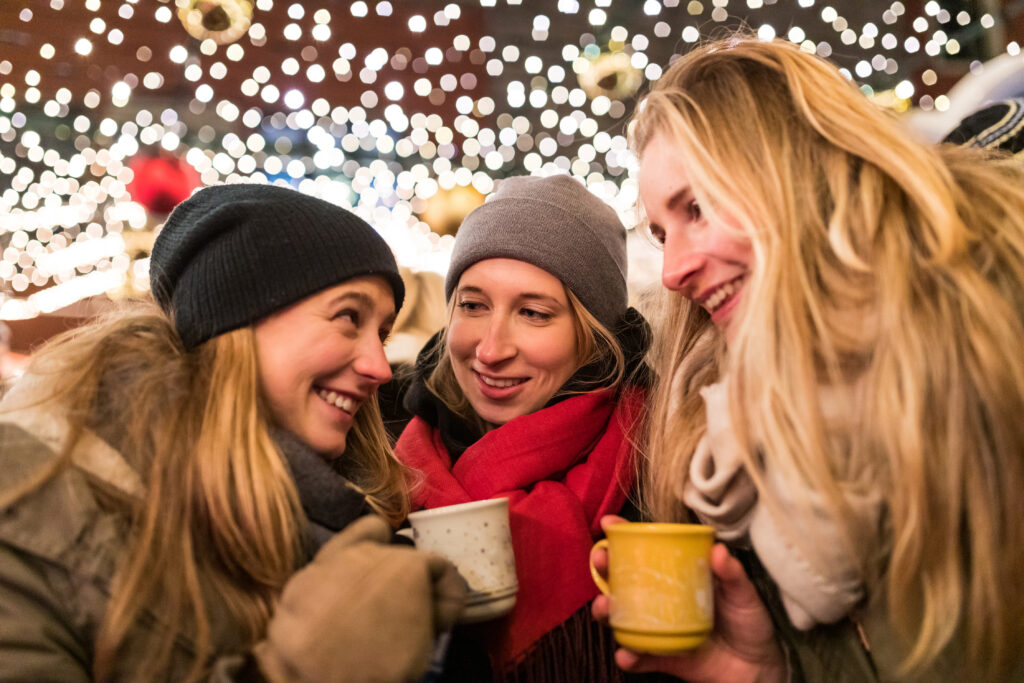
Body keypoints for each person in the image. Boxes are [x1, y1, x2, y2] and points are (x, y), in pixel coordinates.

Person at [619, 36, 1024, 682]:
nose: (671, 272)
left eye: (696, 207)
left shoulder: (994, 339)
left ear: (793, 170)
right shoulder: (733, 430)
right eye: (660, 234)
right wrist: (770, 671)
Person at [0, 183, 467, 681]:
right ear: (233, 322)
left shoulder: (338, 508)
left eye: (383, 333)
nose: (378, 366)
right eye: (348, 318)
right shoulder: (31, 497)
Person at [394, 175, 654, 682]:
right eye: (472, 305)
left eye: (533, 313)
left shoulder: (658, 468)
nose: (491, 350)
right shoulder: (383, 458)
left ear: (594, 336)